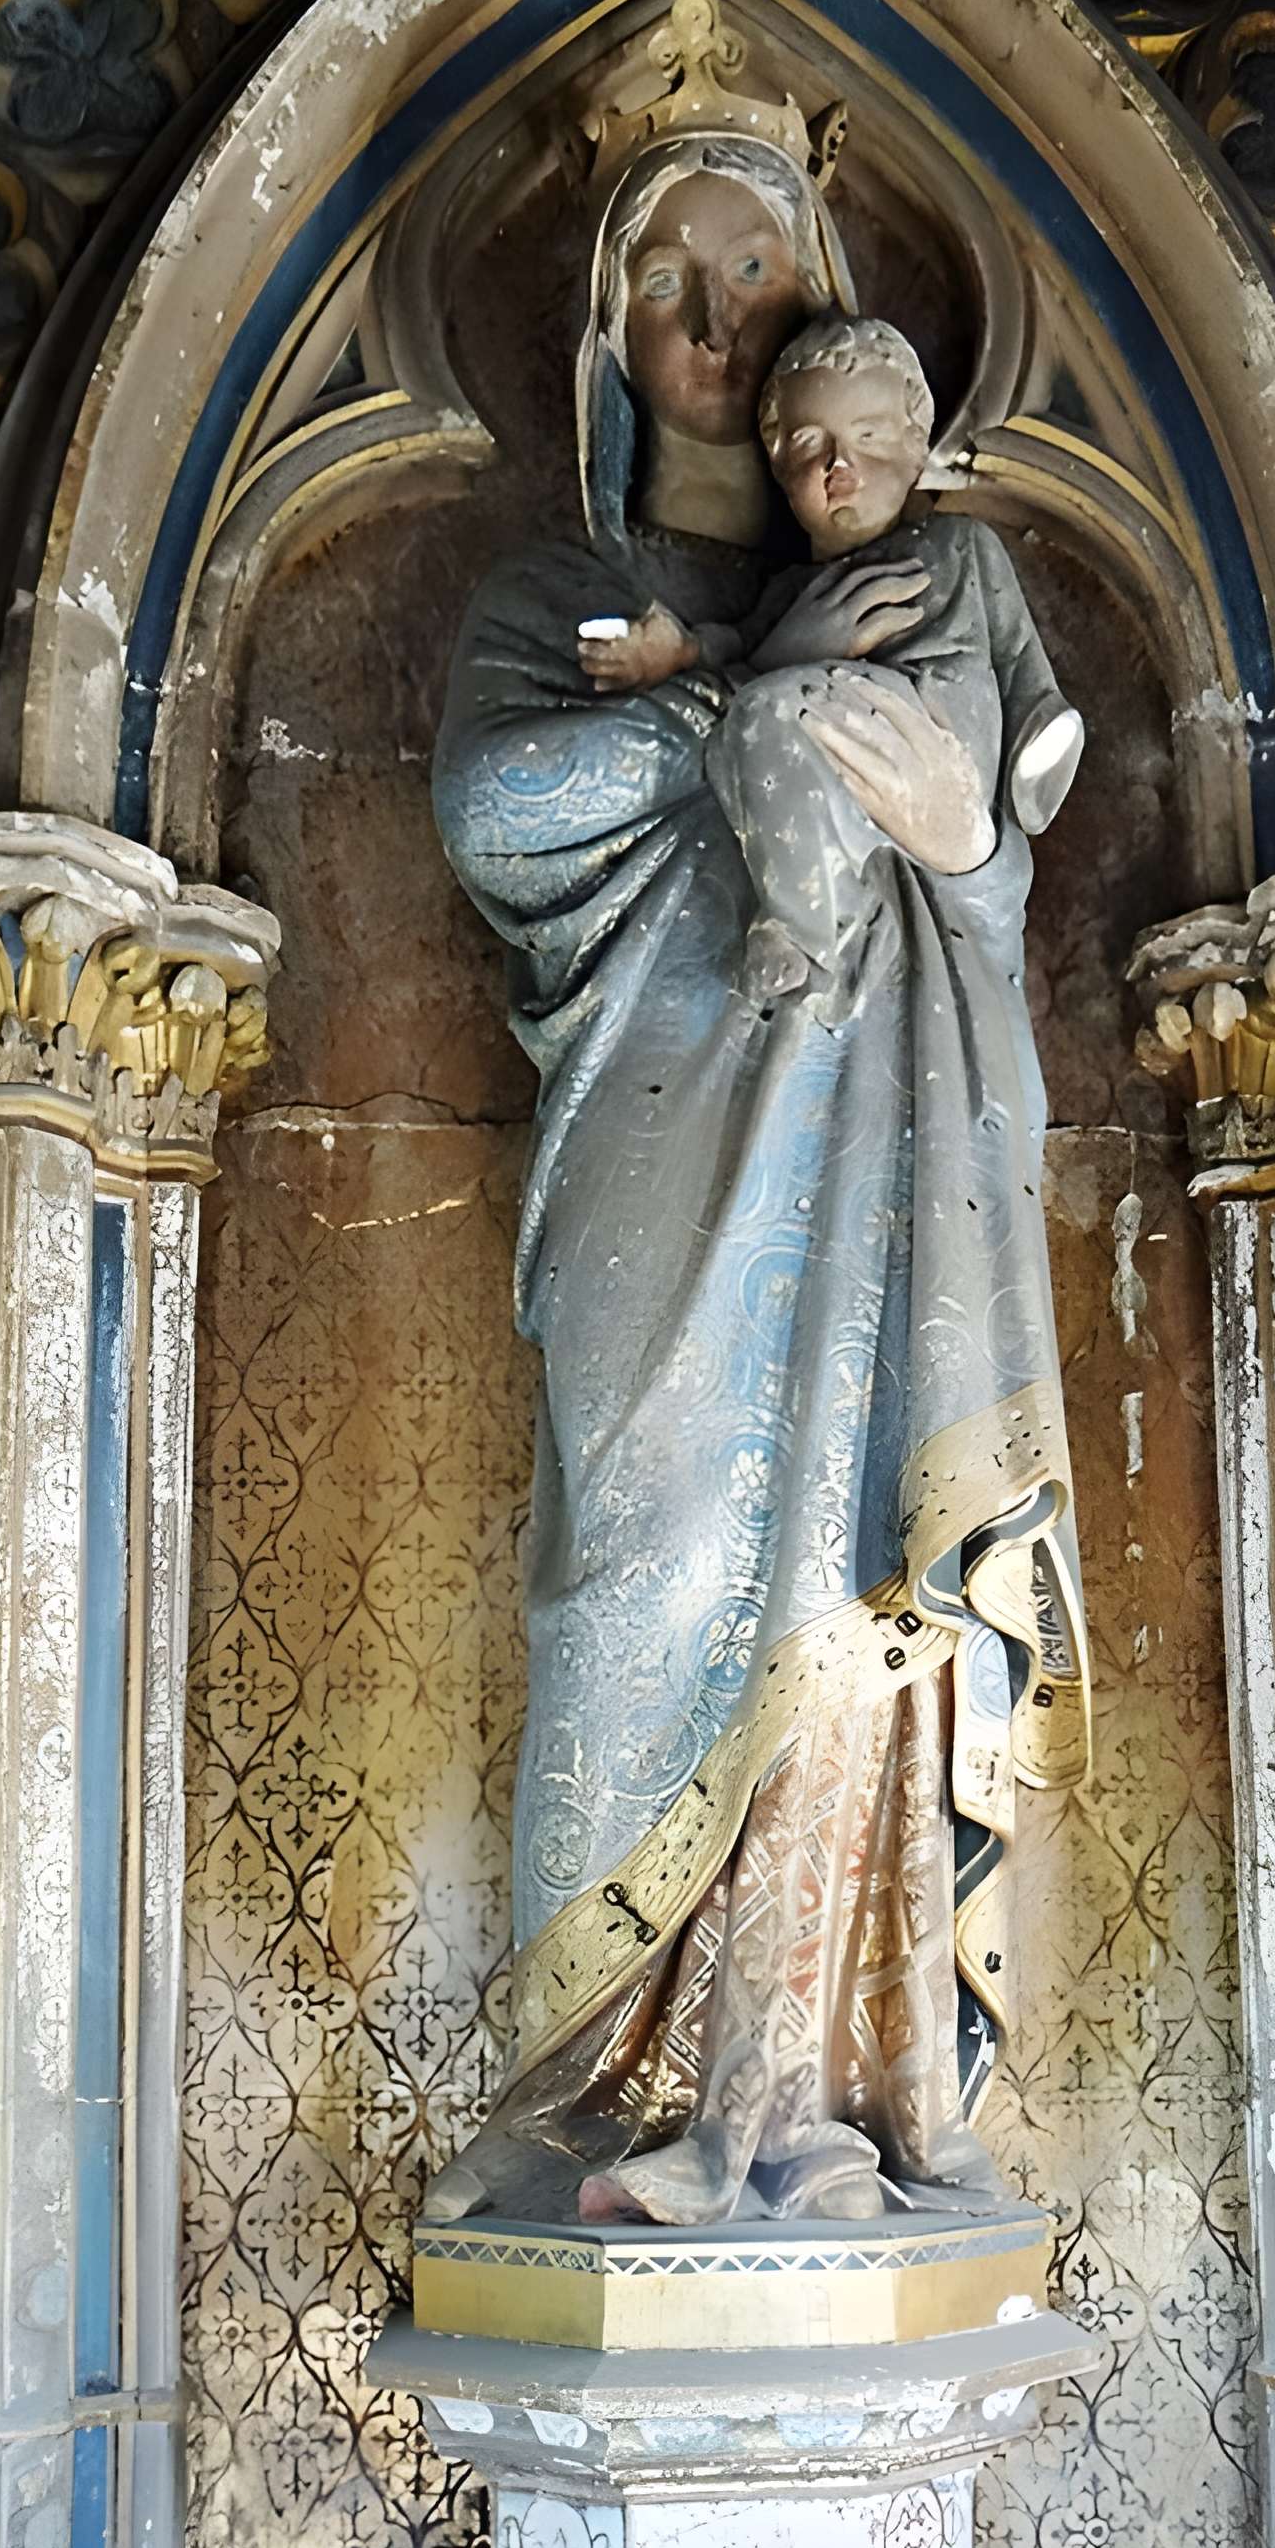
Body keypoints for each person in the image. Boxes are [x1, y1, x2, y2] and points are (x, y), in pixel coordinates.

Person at [427, 113, 1087, 2230]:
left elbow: (988, 859)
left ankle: (817, 2086)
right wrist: (751, 702)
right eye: (667, 286)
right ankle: (610, 2093)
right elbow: (497, 808)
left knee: (858, 1598)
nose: (716, 327)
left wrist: (957, 834)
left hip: (890, 1154)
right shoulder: (559, 597)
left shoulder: (923, 583)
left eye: (753, 278)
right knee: (648, 1559)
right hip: (657, 1150)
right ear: (607, 335)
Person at [580, 314, 1083, 1017]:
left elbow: (1017, 651)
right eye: (811, 446)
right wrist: (684, 652)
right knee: (756, 721)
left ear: (916, 444)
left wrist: (1042, 739)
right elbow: (746, 646)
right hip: (831, 745)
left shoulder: (959, 545)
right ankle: (804, 930)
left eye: (870, 438)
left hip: (942, 734)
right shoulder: (792, 593)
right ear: (780, 467)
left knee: (768, 711)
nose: (838, 468)